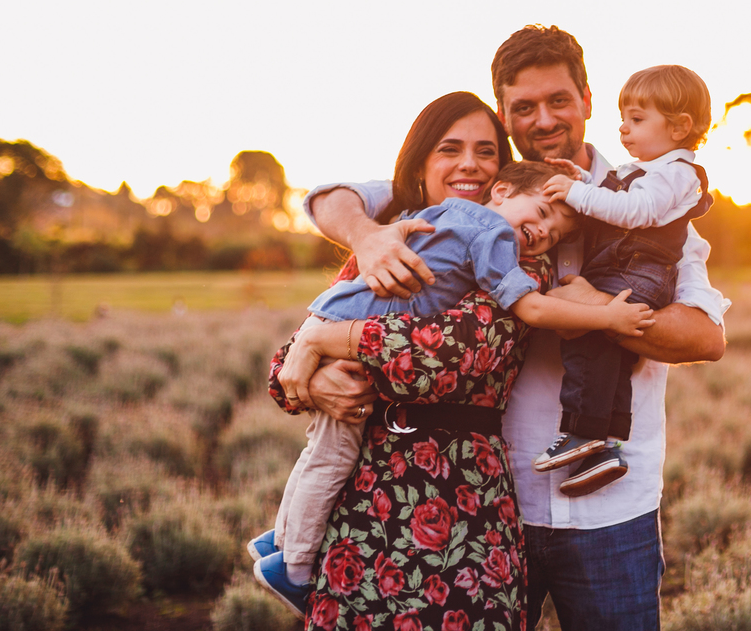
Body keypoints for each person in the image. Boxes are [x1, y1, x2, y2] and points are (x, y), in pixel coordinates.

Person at [303, 25, 729, 631]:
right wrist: (367, 238)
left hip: (612, 512)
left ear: (587, 99)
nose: (544, 119)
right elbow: (335, 197)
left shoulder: (647, 200)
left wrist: (598, 311)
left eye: (559, 100)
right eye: (524, 107)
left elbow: (706, 337)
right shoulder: (484, 194)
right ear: (504, 113)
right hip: (490, 512)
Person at [249, 148, 653, 614]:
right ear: (501, 190)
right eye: (543, 214)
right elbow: (529, 309)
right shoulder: (477, 234)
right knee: (328, 455)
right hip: (351, 363)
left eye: (556, 234)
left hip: (342, 327)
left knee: (320, 450)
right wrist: (607, 317)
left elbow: (444, 355)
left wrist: (321, 341)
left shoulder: (447, 219)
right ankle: (295, 568)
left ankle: (282, 542)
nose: (545, 233)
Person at [533, 64, 715, 497]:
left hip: (636, 271)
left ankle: (582, 430)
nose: (623, 128)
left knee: (588, 338)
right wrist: (580, 180)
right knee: (610, 358)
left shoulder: (676, 173)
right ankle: (605, 447)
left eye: (636, 119)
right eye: (623, 118)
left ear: (679, 127)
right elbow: (617, 198)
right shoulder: (648, 170)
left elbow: (635, 211)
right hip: (626, 268)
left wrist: (577, 193)